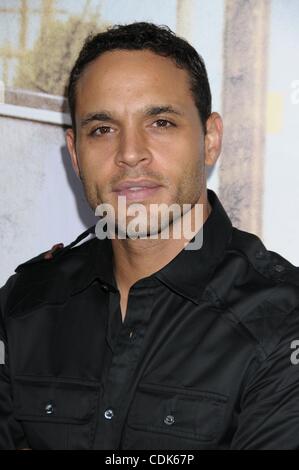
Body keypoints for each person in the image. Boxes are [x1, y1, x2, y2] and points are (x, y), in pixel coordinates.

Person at [1, 21, 299, 451]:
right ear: (75, 153)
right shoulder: (23, 304)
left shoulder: (283, 320)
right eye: (102, 129)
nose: (129, 153)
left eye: (160, 122)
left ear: (210, 139)